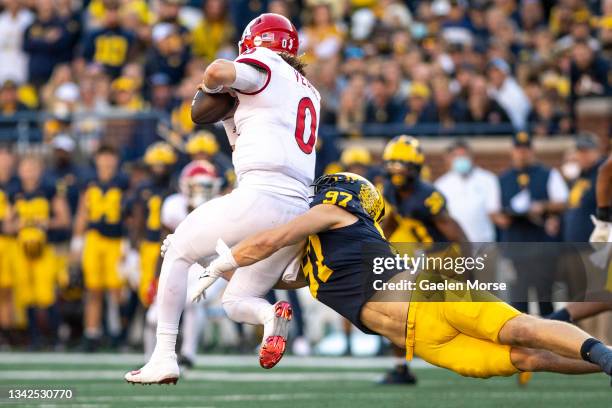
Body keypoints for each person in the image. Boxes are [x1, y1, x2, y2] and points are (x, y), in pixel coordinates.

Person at [192, 172, 612, 382]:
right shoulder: (318, 256)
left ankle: (601, 352)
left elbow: (270, 240)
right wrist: (227, 272)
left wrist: (218, 263)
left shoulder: (337, 212)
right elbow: (269, 275)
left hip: (432, 297)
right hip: (421, 340)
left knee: (521, 328)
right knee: (527, 358)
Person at [125, 13, 321, 384]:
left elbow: (217, 71)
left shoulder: (263, 64)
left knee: (178, 247)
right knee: (236, 299)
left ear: (254, 44)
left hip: (261, 193)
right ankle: (269, 317)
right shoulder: (309, 90)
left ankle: (164, 355)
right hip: (297, 209)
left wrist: (211, 87)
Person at [379, 135, 468, 384]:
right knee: (395, 310)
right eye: (393, 163)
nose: (397, 170)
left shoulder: (428, 196)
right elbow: (394, 219)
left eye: (402, 164)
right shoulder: (391, 191)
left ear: (415, 168)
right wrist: (377, 244)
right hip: (425, 259)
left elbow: (456, 234)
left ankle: (516, 349)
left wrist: (469, 270)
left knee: (468, 318)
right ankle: (401, 369)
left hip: (444, 259)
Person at [144, 160, 226, 369]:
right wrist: (156, 279)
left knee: (192, 301)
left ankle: (188, 355)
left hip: (210, 263)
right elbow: (165, 246)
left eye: (206, 186)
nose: (201, 191)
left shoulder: (221, 205)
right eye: (197, 186)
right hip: (181, 263)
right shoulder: (173, 205)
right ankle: (151, 359)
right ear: (184, 185)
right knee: (153, 316)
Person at [495, 131, 568, 316]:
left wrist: (542, 207)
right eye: (518, 149)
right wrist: (506, 216)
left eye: (525, 149)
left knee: (544, 297)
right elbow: (494, 211)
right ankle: (523, 342)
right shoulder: (503, 178)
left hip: (541, 245)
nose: (522, 153)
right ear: (512, 151)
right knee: (518, 299)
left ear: (532, 150)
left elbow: (563, 201)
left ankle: (551, 340)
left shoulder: (547, 173)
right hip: (515, 245)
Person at [4, 155, 70, 348]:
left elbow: (64, 219)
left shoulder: (49, 191)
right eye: (26, 168)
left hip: (44, 250)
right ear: (20, 170)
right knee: (27, 295)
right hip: (21, 250)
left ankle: (56, 337)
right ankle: (34, 338)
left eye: (33, 168)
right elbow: (7, 225)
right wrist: (19, 224)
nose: (30, 172)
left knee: (46, 294)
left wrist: (45, 223)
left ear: (40, 170)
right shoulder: (14, 192)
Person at [71, 145, 129, 351]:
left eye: (109, 158)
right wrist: (77, 241)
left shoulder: (123, 182)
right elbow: (82, 211)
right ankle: (92, 333)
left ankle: (117, 334)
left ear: (115, 160)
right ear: (96, 160)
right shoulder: (89, 181)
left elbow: (130, 213)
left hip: (115, 239)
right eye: (102, 158)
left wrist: (127, 241)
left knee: (116, 290)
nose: (106, 162)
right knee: (93, 289)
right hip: (94, 238)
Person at [127, 142, 177, 307]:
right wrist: (133, 250)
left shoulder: (175, 188)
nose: (158, 169)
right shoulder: (143, 187)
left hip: (170, 245)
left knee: (170, 290)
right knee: (148, 292)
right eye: (155, 165)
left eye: (162, 165)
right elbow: (138, 219)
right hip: (149, 244)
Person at [435, 139, 500, 243]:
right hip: (456, 244)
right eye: (457, 156)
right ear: (449, 158)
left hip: (484, 243)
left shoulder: (488, 179)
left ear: (471, 157)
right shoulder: (441, 184)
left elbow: (493, 212)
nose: (461, 159)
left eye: (464, 155)